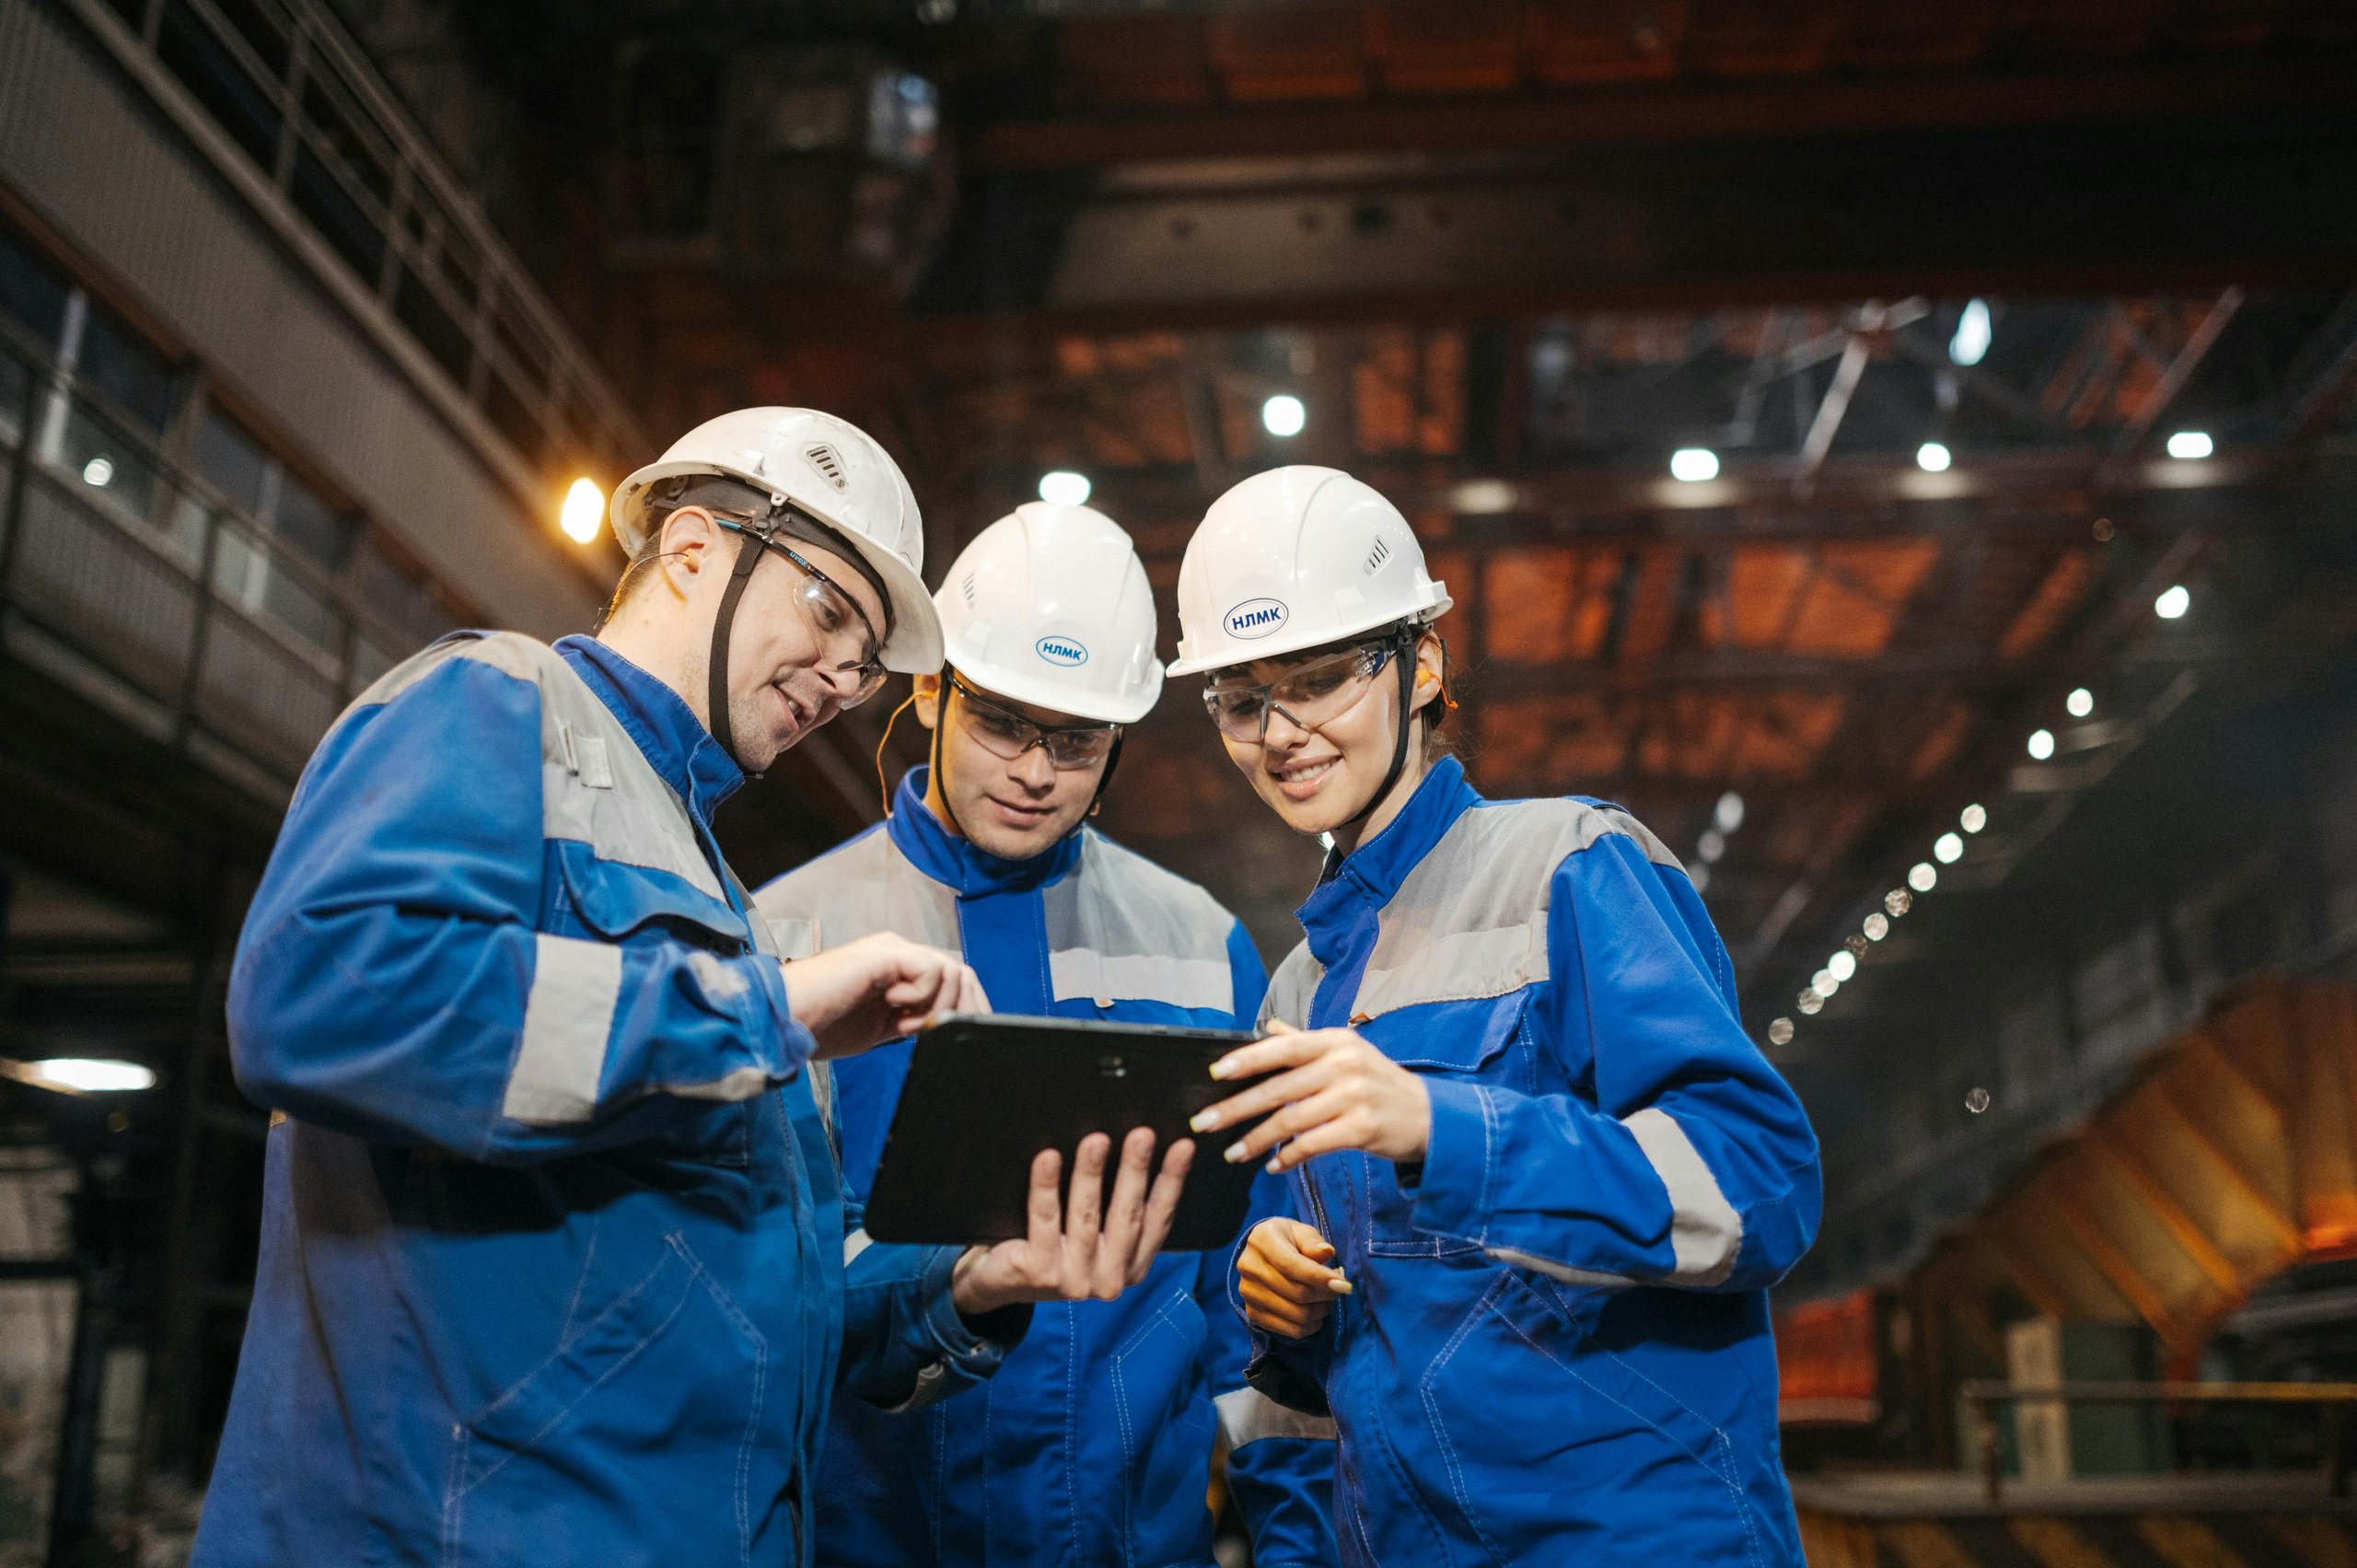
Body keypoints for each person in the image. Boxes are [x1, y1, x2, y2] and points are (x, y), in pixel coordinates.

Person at [193, 411, 1193, 1568]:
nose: (839, 676)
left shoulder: (715, 887)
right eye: (828, 611)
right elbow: (321, 997)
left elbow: (774, 1291)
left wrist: (981, 1277)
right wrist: (772, 1008)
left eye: (865, 656)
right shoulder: (502, 705)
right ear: (692, 547)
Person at [1173, 466, 1823, 1565]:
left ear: (1420, 661)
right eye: (1243, 699)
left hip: (1639, 1537)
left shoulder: (1570, 865)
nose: (1281, 732)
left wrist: (1444, 1125)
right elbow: (1306, 1404)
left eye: (1321, 678)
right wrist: (1272, 1293)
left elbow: (1757, 1181)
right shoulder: (1292, 994)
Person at [755, 501, 1338, 1568]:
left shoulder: (1199, 945)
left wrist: (1295, 1546)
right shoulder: (783, 938)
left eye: (1073, 739)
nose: (1035, 770)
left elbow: (1247, 1308)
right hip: (865, 1534)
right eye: (1004, 722)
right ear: (930, 690)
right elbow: (756, 1286)